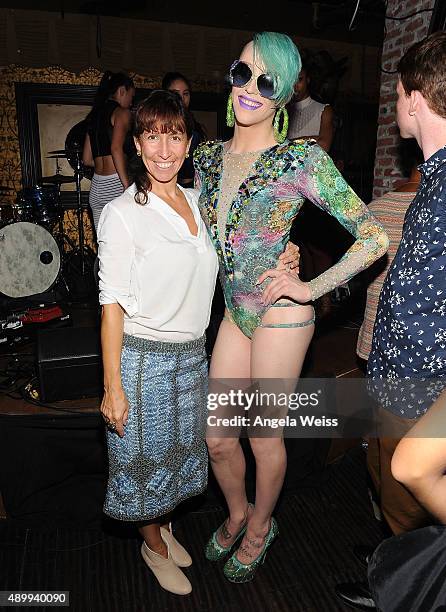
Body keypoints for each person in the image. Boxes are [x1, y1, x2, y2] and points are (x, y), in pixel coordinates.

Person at [194, 31, 388, 584]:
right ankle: (236, 513)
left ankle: (260, 526)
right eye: (243, 73)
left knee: (263, 436)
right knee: (218, 436)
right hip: (236, 311)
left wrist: (311, 286)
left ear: (283, 96)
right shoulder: (208, 159)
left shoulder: (300, 160)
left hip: (282, 313)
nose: (250, 88)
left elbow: (372, 236)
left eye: (267, 80)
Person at [97, 89, 299, 596]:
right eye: (151, 137)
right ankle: (153, 545)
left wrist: (286, 252)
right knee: (141, 466)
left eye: (174, 135)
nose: (163, 149)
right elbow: (110, 307)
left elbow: (243, 244)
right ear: (137, 146)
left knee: (175, 457)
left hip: (193, 356)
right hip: (142, 359)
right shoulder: (123, 214)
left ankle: (164, 527)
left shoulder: (197, 200)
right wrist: (112, 385)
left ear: (188, 145)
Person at [336, 31, 446, 611]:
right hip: (395, 372)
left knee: (408, 498)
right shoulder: (433, 175)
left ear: (412, 98)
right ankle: (397, 568)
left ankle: (408, 588)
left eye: (396, 93)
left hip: (422, 384)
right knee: (387, 489)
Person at [287, 62, 336, 315]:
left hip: (314, 187)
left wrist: (290, 144)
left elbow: (324, 144)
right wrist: (308, 141)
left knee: (319, 247)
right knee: (293, 247)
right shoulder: (281, 110)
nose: (296, 85)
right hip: (287, 188)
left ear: (309, 80)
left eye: (301, 79)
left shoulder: (323, 110)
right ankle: (296, 298)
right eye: (292, 79)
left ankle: (326, 300)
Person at [83, 71, 135, 233]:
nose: (131, 103)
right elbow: (116, 148)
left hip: (97, 187)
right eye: (131, 97)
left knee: (105, 248)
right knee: (124, 244)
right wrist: (127, 186)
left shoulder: (94, 116)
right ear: (121, 91)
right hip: (115, 185)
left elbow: (86, 159)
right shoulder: (122, 113)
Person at [162, 71, 206, 187]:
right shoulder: (159, 124)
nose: (181, 98)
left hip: (192, 188)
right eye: (176, 93)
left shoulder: (192, 123)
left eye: (185, 94)